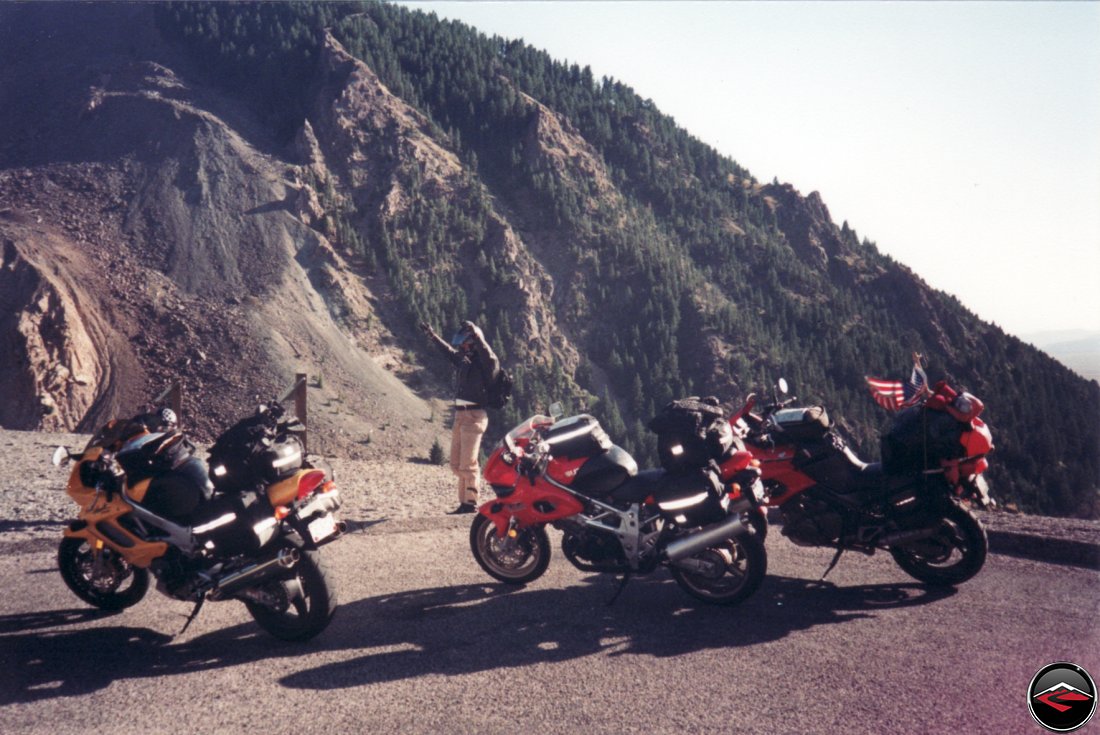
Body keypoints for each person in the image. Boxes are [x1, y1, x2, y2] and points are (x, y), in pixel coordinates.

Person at [420, 319, 500, 514]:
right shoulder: (465, 361)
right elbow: (448, 352)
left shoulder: (487, 364)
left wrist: (478, 337)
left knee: (468, 463)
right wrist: (432, 335)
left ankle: (470, 502)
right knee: (456, 464)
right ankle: (464, 502)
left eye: (466, 343)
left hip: (474, 416)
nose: (463, 347)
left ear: (473, 342)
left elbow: (489, 356)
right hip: (460, 415)